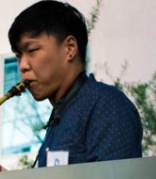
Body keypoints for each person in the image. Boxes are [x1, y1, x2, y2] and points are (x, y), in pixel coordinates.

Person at [8, 0, 143, 167]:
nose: (22, 66)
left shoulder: (106, 104)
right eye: (18, 56)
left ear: (70, 48)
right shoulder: (62, 114)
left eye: (32, 51)